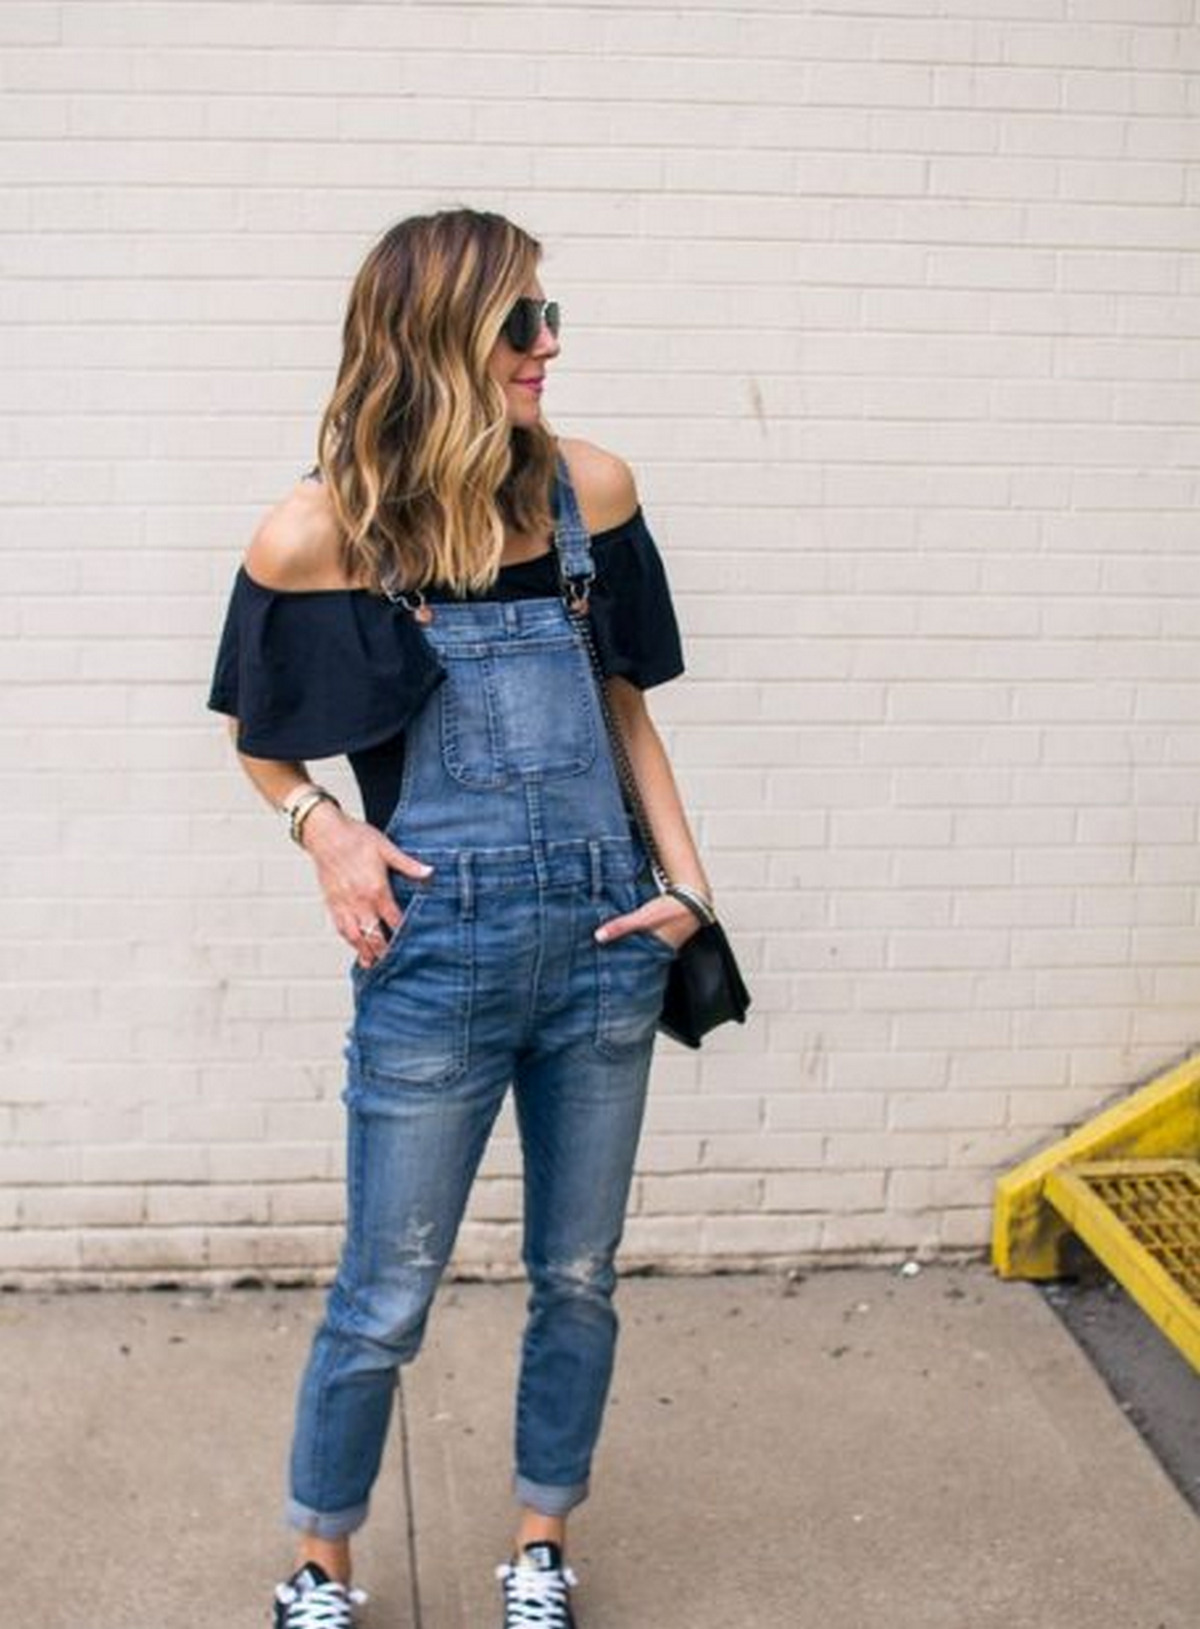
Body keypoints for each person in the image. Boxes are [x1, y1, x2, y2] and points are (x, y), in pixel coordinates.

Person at [207, 208, 713, 1629]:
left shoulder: (589, 495)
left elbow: (627, 709)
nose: (549, 345)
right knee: (385, 1294)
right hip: (438, 959)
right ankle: (322, 1563)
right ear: (434, 340)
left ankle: (539, 1541)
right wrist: (327, 835)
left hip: (606, 945)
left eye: (551, 316)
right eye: (519, 324)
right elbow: (260, 742)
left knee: (578, 1275)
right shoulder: (321, 530)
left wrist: (688, 887)